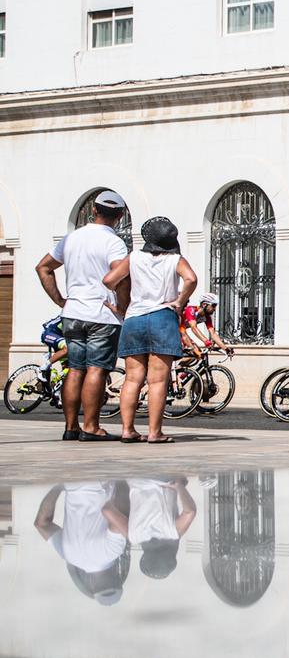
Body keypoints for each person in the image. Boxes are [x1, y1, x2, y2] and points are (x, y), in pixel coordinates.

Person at [34, 189, 128, 442]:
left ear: (93, 211)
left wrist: (60, 300)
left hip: (72, 313)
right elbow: (121, 275)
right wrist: (122, 307)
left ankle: (71, 426)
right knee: (97, 370)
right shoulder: (114, 242)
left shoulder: (71, 238)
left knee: (75, 369)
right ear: (120, 215)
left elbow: (43, 267)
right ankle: (91, 427)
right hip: (101, 315)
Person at [103, 216, 196, 444]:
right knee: (157, 381)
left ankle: (127, 429)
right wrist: (179, 301)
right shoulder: (175, 259)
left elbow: (109, 280)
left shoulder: (133, 257)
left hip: (134, 318)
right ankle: (155, 432)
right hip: (162, 318)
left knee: (132, 379)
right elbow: (191, 279)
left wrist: (123, 294)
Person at [33, 481, 131, 604]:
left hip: (100, 480)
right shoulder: (69, 557)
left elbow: (119, 507)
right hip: (71, 483)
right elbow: (41, 524)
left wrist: (122, 480)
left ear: (117, 578)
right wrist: (58, 488)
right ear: (93, 585)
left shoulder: (113, 552)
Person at [104, 475, 197, 579]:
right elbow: (107, 510)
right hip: (135, 477)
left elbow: (190, 511)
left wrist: (180, 486)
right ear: (145, 557)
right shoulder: (132, 535)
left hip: (164, 477)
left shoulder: (174, 533)